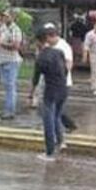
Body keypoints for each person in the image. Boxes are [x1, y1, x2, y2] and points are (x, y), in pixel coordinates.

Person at [29, 24, 68, 161]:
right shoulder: (58, 52)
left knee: (48, 121)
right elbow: (66, 70)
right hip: (63, 88)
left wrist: (31, 94)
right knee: (57, 116)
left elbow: (35, 78)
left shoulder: (41, 58)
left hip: (50, 91)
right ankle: (61, 141)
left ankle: (49, 152)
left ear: (40, 41)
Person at [0, 12, 24, 120]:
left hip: (12, 61)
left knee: (11, 86)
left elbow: (16, 46)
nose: (5, 18)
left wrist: (1, 44)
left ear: (13, 17)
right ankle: (6, 109)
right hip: (2, 60)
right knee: (6, 86)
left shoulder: (15, 29)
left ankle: (10, 111)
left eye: (7, 16)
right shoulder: (2, 28)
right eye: (4, 16)